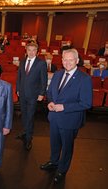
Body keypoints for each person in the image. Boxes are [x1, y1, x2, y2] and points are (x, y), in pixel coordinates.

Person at [40, 48, 92, 183]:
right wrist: (50, 101)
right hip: (54, 117)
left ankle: (62, 170)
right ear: (61, 60)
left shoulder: (84, 79)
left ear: (77, 61)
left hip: (70, 119)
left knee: (67, 147)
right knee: (54, 143)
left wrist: (64, 107)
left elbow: (86, 103)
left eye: (71, 59)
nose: (67, 62)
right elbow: (50, 91)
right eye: (65, 59)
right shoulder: (57, 74)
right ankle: (54, 162)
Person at [16, 42, 47, 151]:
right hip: (23, 94)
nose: (31, 52)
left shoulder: (41, 63)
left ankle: (29, 138)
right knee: (24, 115)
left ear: (37, 52)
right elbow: (19, 76)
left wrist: (42, 93)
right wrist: (18, 89)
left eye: (33, 50)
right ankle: (25, 132)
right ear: (26, 50)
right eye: (29, 50)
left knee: (30, 116)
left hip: (34, 95)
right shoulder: (23, 61)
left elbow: (44, 80)